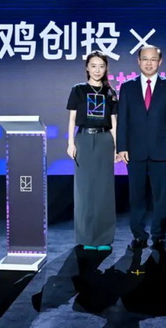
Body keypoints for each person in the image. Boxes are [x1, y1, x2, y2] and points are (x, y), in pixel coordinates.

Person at [117, 45, 166, 252]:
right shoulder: (127, 87)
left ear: (159, 62)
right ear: (138, 61)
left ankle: (159, 236)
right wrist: (121, 147)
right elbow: (122, 120)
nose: (149, 63)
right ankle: (139, 235)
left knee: (161, 196)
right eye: (145, 59)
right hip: (134, 150)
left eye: (153, 59)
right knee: (136, 195)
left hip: (161, 150)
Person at [66, 51, 119, 251]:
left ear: (106, 69)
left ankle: (104, 239)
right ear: (87, 67)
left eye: (101, 66)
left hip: (105, 140)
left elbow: (114, 122)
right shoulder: (78, 90)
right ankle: (86, 237)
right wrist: (70, 143)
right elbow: (72, 119)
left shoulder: (110, 92)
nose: (97, 70)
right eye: (93, 65)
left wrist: (117, 147)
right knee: (85, 190)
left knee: (104, 190)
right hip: (84, 139)